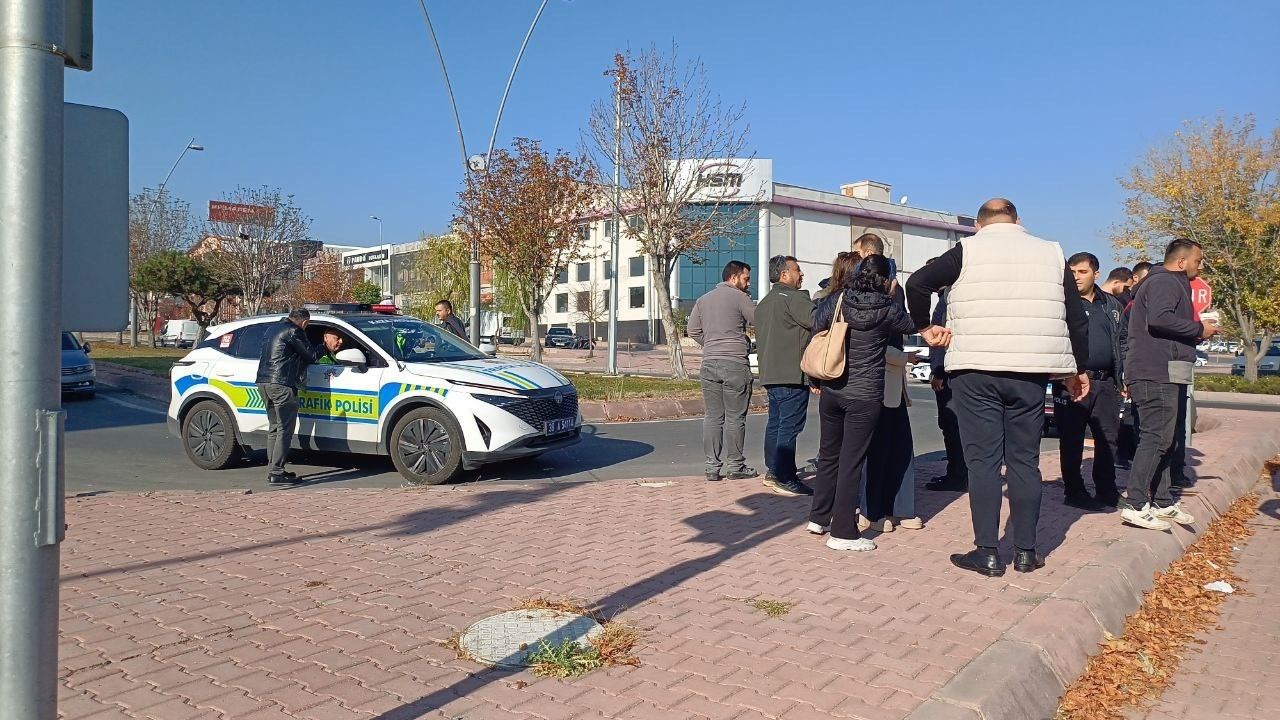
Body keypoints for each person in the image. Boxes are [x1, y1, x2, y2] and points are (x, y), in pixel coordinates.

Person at [906, 199, 1090, 577]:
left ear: (978, 224)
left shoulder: (967, 250)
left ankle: (987, 552)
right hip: (1031, 372)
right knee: (1025, 462)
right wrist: (1077, 369)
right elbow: (1075, 317)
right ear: (1019, 221)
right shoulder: (1052, 253)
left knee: (984, 463)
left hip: (975, 370)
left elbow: (917, 282)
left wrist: (925, 328)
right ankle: (1026, 551)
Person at [807, 254, 916, 552]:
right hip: (865, 395)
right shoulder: (888, 309)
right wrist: (893, 295)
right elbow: (910, 325)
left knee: (828, 454)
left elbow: (815, 323)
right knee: (852, 462)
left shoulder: (839, 299)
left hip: (833, 388)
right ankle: (843, 532)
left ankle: (819, 517)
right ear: (886, 279)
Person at [1119, 239, 1218, 531]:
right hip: (1155, 371)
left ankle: (1161, 501)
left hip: (1169, 370)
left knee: (1167, 438)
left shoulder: (1172, 283)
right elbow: (1159, 319)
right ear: (1181, 261)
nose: (1200, 266)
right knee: (1156, 437)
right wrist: (1199, 328)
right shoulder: (1164, 282)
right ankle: (1136, 503)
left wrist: (1197, 332)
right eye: (1198, 261)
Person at [1055, 252, 1127, 511]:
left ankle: (1107, 490)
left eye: (1082, 272)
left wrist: (1123, 375)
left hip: (1106, 383)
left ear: (1096, 274)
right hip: (1071, 382)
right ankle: (1074, 491)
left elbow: (1123, 342)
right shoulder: (1060, 302)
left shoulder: (1112, 305)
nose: (1075, 277)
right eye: (1071, 272)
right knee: (1071, 439)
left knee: (1108, 438)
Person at [688, 261, 758, 482]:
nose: (748, 283)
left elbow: (692, 330)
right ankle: (735, 465)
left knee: (713, 417)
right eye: (746, 279)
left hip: (709, 363)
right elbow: (758, 320)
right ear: (734, 277)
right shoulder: (740, 298)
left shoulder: (703, 300)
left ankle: (711, 467)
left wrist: (710, 342)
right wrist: (742, 341)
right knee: (736, 417)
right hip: (734, 363)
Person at [255, 309, 340, 484]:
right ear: (304, 323)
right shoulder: (294, 331)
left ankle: (273, 469)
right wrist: (324, 346)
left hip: (264, 382)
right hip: (282, 384)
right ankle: (277, 472)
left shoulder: (273, 329)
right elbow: (311, 355)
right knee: (285, 429)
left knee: (275, 427)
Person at [755, 255, 816, 497]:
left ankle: (774, 470)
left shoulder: (764, 302)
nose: (801, 275)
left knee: (776, 423)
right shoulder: (793, 298)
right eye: (797, 270)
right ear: (783, 275)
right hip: (792, 373)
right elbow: (817, 321)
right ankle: (785, 476)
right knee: (789, 426)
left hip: (771, 373)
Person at [925, 268, 968, 492]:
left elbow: (942, 338)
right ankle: (959, 472)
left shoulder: (948, 299)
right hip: (958, 372)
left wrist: (939, 372)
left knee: (951, 425)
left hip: (949, 374)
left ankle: (958, 475)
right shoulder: (954, 296)